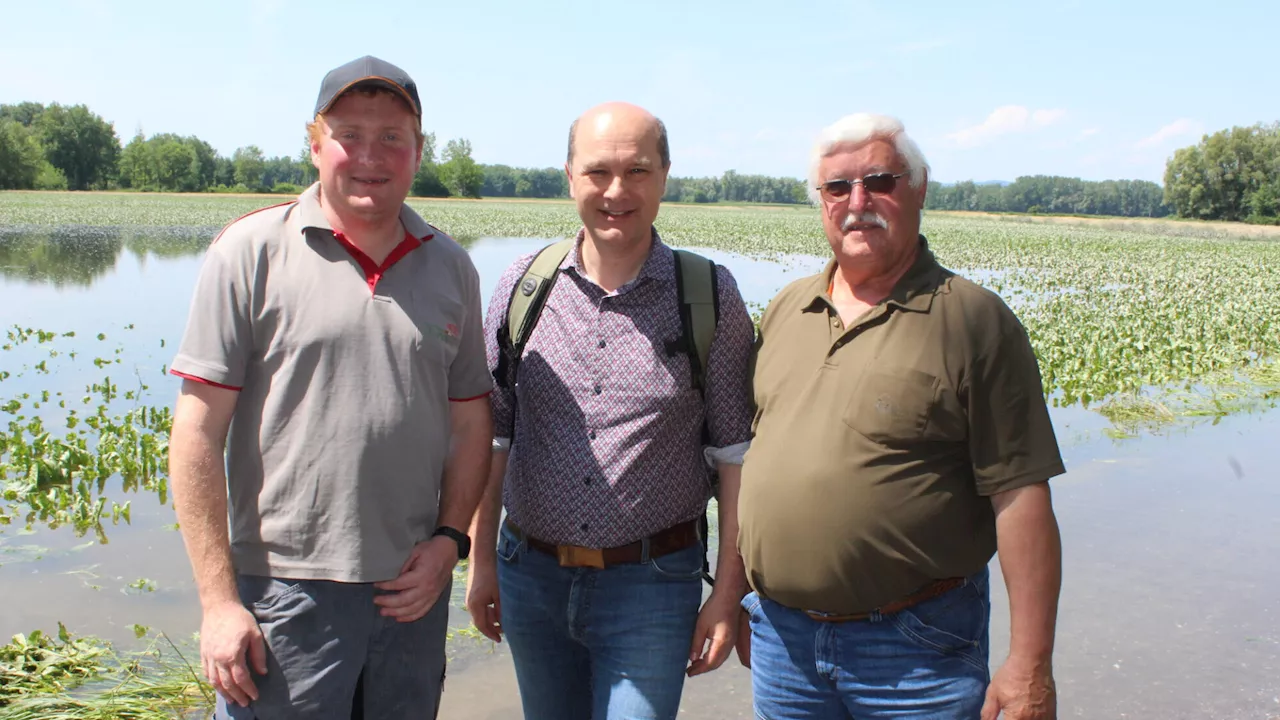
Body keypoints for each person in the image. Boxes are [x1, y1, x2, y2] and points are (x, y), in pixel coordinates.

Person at [166, 55, 493, 719]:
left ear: (418, 152)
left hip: (411, 592)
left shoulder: (451, 266)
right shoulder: (250, 251)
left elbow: (470, 425)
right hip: (284, 593)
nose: (369, 155)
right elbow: (198, 434)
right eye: (349, 134)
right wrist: (219, 602)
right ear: (316, 144)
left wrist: (449, 542)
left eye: (392, 138)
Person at [736, 113, 1065, 720]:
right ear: (821, 203)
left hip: (915, 653)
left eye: (879, 181)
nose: (857, 202)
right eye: (837, 188)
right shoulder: (788, 307)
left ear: (919, 188)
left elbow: (1021, 498)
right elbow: (753, 462)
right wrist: (739, 593)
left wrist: (1029, 666)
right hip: (784, 645)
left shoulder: (973, 319)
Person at [464, 101, 756, 720]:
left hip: (653, 585)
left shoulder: (708, 295)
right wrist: (480, 560)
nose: (616, 191)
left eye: (638, 171)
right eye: (598, 171)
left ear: (665, 176)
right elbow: (493, 435)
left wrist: (727, 593)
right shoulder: (524, 286)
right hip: (530, 577)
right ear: (569, 176)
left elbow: (735, 458)